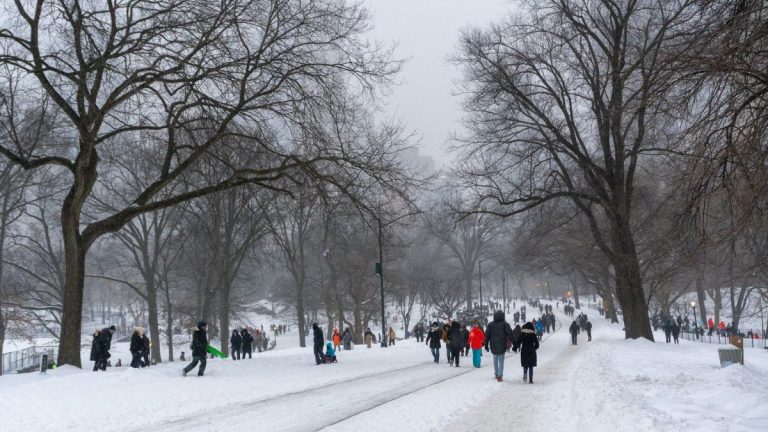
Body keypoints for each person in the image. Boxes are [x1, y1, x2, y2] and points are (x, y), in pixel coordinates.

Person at [484, 310, 515, 382]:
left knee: (495, 359)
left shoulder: (490, 325)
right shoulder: (505, 324)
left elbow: (487, 336)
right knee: (501, 360)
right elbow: (510, 334)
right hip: (502, 344)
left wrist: (486, 345)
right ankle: (500, 375)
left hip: (493, 345)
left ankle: (496, 373)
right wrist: (515, 343)